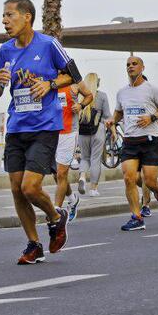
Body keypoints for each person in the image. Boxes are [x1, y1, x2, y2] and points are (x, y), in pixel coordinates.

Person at [0, 0, 76, 263]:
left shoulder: (48, 45)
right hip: (17, 127)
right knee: (16, 189)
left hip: (44, 127)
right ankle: (33, 244)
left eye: (9, 15)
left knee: (30, 187)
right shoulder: (5, 51)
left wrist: (50, 84)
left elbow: (73, 75)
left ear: (27, 17)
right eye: (3, 16)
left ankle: (54, 216)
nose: (4, 21)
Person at [114, 56, 158, 231]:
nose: (130, 67)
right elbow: (119, 113)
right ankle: (137, 217)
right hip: (130, 141)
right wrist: (112, 120)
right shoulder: (121, 92)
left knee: (149, 181)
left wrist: (152, 117)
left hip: (149, 140)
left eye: (134, 64)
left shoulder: (152, 89)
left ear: (142, 67)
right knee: (129, 178)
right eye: (128, 64)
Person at [54, 80, 92, 222]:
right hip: (50, 131)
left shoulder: (74, 80)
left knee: (61, 172)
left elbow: (89, 95)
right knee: (56, 173)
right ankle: (72, 199)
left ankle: (56, 212)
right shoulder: (47, 76)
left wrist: (80, 105)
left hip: (69, 131)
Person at [77, 73, 112, 196]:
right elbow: (107, 116)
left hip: (82, 131)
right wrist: (113, 131)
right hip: (98, 130)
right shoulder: (102, 96)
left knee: (85, 157)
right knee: (95, 159)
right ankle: (93, 189)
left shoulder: (80, 96)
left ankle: (82, 176)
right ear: (97, 83)